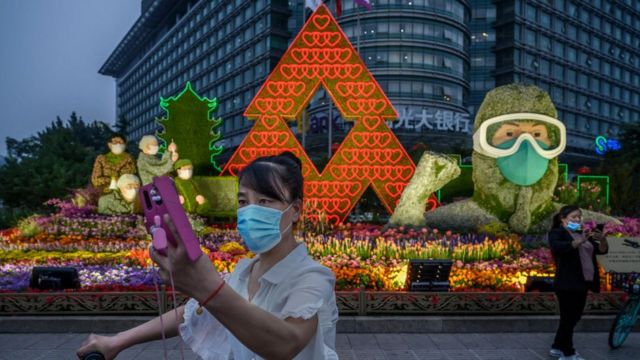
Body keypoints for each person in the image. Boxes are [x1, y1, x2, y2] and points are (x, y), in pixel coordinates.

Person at [77, 152, 338, 360]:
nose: (250, 212)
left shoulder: (312, 278)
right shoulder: (245, 271)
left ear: (295, 210)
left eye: (265, 201)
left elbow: (285, 344)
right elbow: (193, 312)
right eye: (244, 202)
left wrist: (210, 289)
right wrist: (117, 341)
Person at [548, 205, 608, 360]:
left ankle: (557, 346)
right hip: (567, 282)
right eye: (574, 217)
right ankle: (568, 353)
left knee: (572, 317)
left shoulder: (582, 233)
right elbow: (560, 248)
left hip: (584, 281)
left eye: (579, 217)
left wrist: (602, 240)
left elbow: (601, 250)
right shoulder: (557, 233)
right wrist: (578, 242)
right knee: (569, 317)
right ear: (563, 219)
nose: (578, 219)